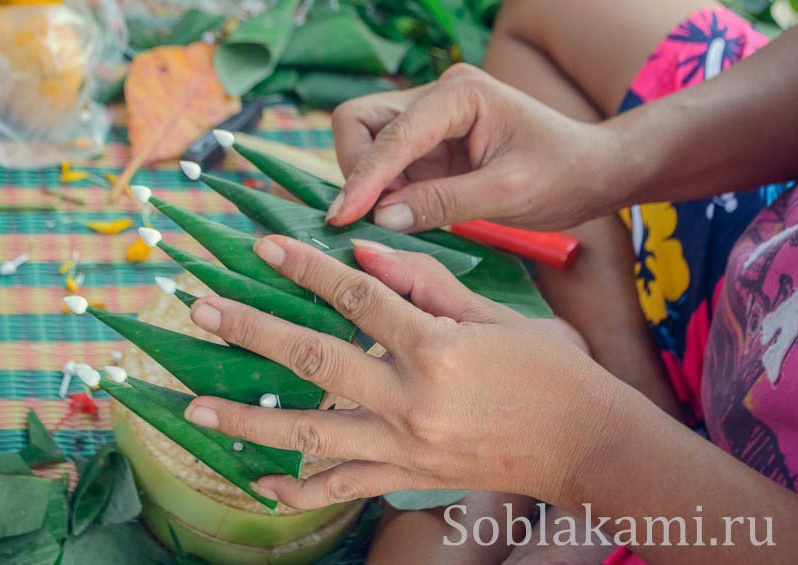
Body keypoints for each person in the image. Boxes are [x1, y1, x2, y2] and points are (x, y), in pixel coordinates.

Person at [181, 3, 798, 563]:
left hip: (740, 523)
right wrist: (607, 159)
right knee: (553, 18)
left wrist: (583, 446)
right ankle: (634, 385)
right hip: (756, 255)